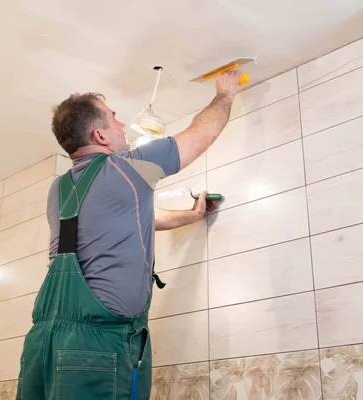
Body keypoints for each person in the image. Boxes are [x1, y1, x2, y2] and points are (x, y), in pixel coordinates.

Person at [16, 70, 243, 399]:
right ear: (101, 136)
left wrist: (191, 215)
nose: (123, 127)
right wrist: (225, 95)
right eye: (115, 119)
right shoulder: (126, 167)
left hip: (43, 344)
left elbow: (136, 217)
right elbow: (200, 134)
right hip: (97, 345)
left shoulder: (60, 189)